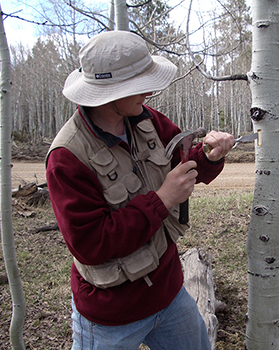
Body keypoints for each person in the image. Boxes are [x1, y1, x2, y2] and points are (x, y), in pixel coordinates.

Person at [46, 30, 235, 350]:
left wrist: (208, 156)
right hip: (109, 319)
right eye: (138, 84)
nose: (149, 90)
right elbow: (91, 243)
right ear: (107, 92)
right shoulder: (66, 158)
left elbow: (186, 164)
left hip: (170, 294)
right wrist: (162, 200)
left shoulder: (147, 119)